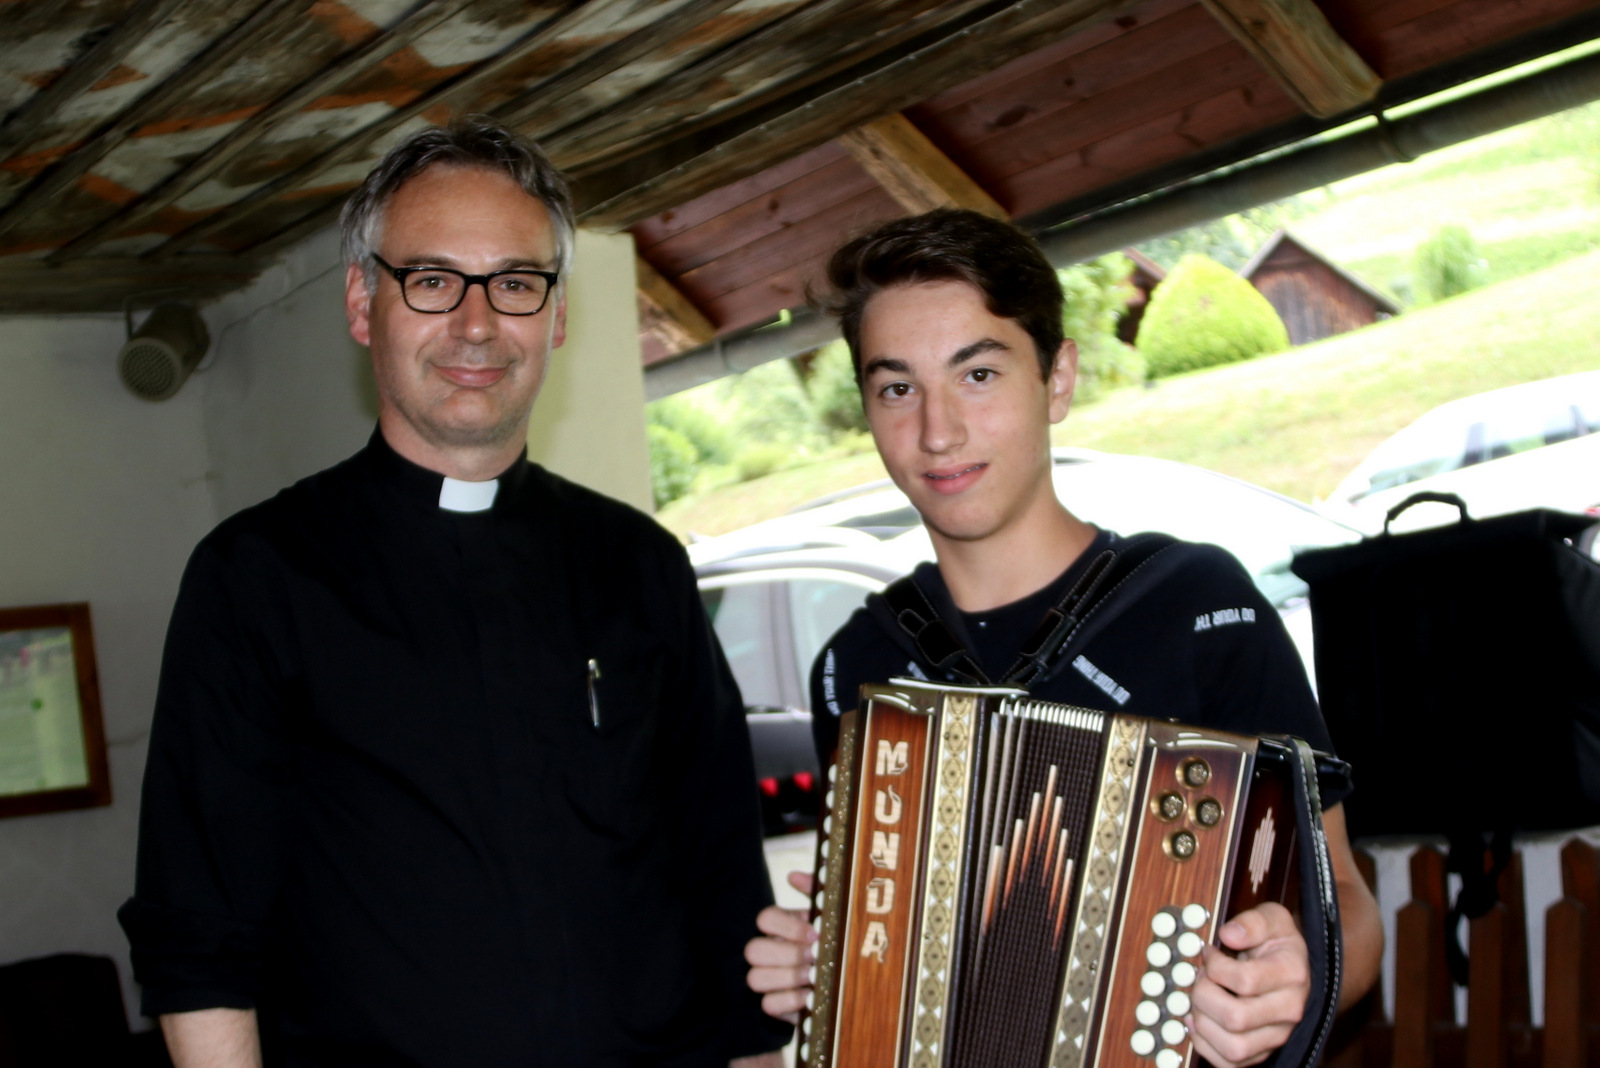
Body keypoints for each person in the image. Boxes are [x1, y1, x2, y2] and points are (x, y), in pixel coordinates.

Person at [119, 120, 788, 1068]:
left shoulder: (640, 563)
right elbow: (197, 931)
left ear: (556, 316)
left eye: (515, 284)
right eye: (432, 281)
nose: (477, 325)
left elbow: (723, 876)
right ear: (364, 303)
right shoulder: (257, 576)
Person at [744, 209, 1382, 1068]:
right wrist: (825, 976)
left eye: (977, 374)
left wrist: (1295, 985)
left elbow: (1349, 907)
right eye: (897, 388)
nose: (938, 430)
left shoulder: (1201, 607)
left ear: (1058, 379)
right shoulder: (858, 667)